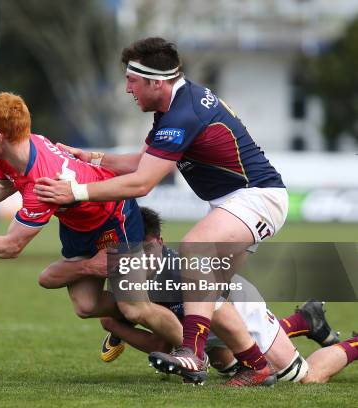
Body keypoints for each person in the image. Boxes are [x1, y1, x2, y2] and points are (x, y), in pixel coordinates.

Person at [33, 37, 288, 385]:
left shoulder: (183, 114)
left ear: (156, 81)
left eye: (132, 80)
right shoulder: (174, 108)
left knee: (194, 249)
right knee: (206, 295)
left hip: (256, 198)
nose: (127, 88)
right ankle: (256, 366)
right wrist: (93, 158)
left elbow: (142, 183)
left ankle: (193, 356)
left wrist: (76, 190)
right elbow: (144, 161)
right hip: (237, 202)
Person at [0, 92, 183, 347]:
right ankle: (148, 308)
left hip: (114, 217)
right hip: (79, 227)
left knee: (134, 307)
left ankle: (192, 350)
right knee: (85, 305)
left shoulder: (42, 184)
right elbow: (5, 184)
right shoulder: (17, 148)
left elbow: (11, 246)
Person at [40, 207, 355, 385]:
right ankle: (304, 320)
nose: (141, 258)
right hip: (211, 327)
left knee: (304, 378)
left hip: (238, 307)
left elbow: (161, 343)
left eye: (147, 249)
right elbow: (50, 279)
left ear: (160, 243)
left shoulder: (173, 273)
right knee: (226, 362)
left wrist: (117, 327)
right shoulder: (127, 269)